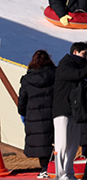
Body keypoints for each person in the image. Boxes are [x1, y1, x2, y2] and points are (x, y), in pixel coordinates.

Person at [53, 42, 87, 180]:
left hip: (75, 111)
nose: (86, 57)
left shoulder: (80, 66)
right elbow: (76, 75)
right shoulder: (65, 65)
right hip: (62, 110)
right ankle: (60, 174)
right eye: (84, 54)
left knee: (73, 144)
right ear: (75, 52)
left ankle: (69, 172)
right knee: (62, 143)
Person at [18, 50, 56, 178]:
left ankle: (45, 168)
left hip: (34, 116)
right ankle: (55, 167)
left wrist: (23, 113)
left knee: (41, 143)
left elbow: (22, 100)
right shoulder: (55, 75)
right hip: (52, 114)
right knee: (54, 141)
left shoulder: (27, 79)